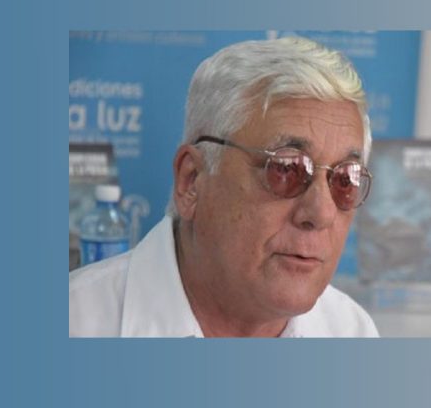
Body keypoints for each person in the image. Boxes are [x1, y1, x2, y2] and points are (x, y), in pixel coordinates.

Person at [69, 37, 379, 337]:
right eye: (286, 168)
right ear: (192, 180)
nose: (322, 213)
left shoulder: (352, 331)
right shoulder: (76, 321)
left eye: (345, 179)